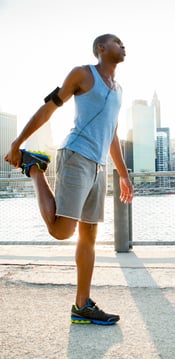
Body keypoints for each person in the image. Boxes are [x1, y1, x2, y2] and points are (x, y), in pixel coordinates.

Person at [4, 33, 133, 325]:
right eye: (117, 42)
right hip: (76, 155)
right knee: (62, 231)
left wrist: (123, 175)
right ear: (101, 48)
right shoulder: (83, 74)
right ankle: (35, 169)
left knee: (89, 237)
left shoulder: (119, 90)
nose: (123, 46)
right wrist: (18, 141)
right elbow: (50, 106)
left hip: (98, 166)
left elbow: (112, 134)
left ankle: (82, 305)